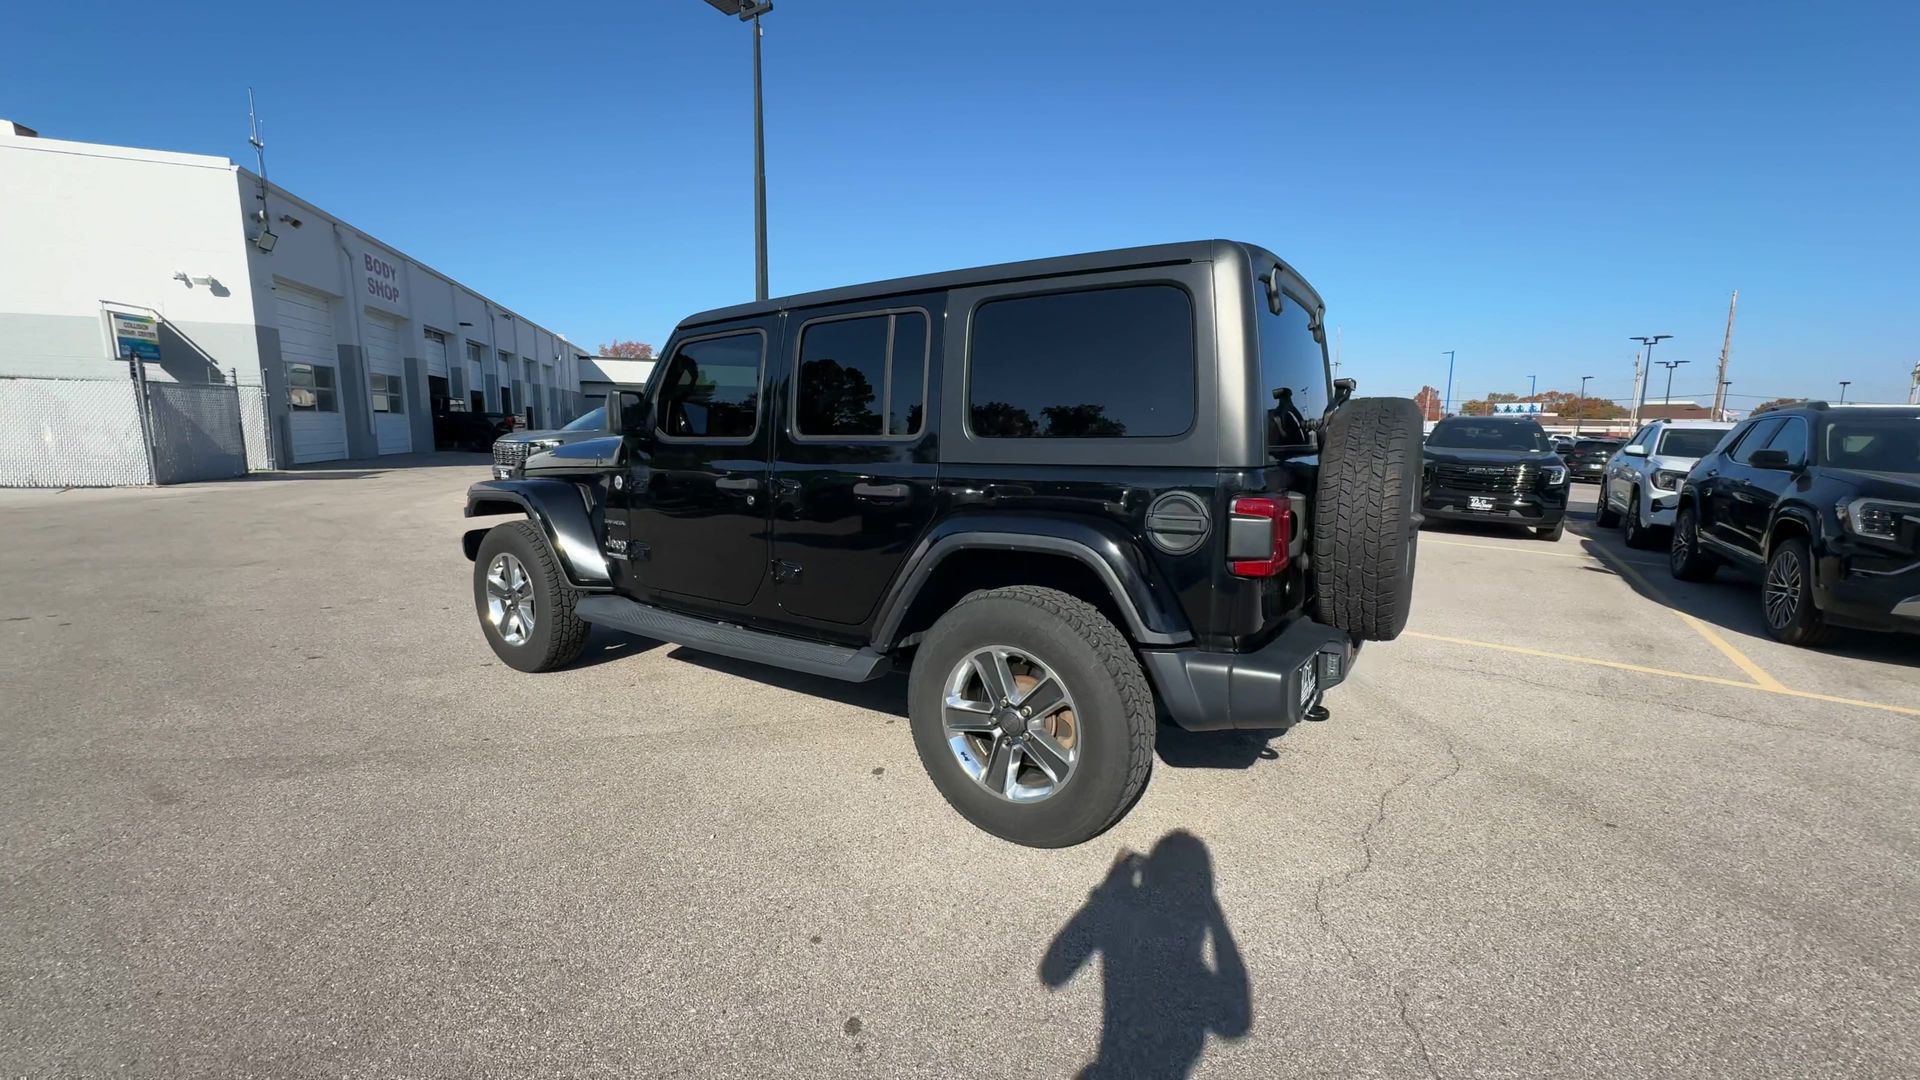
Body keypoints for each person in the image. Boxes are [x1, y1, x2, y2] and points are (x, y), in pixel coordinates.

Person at [1040, 830, 1251, 1079]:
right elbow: (1234, 1023)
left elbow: (1053, 972)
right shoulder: (1192, 978)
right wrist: (1215, 916)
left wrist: (1105, 898)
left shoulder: (1122, 932)